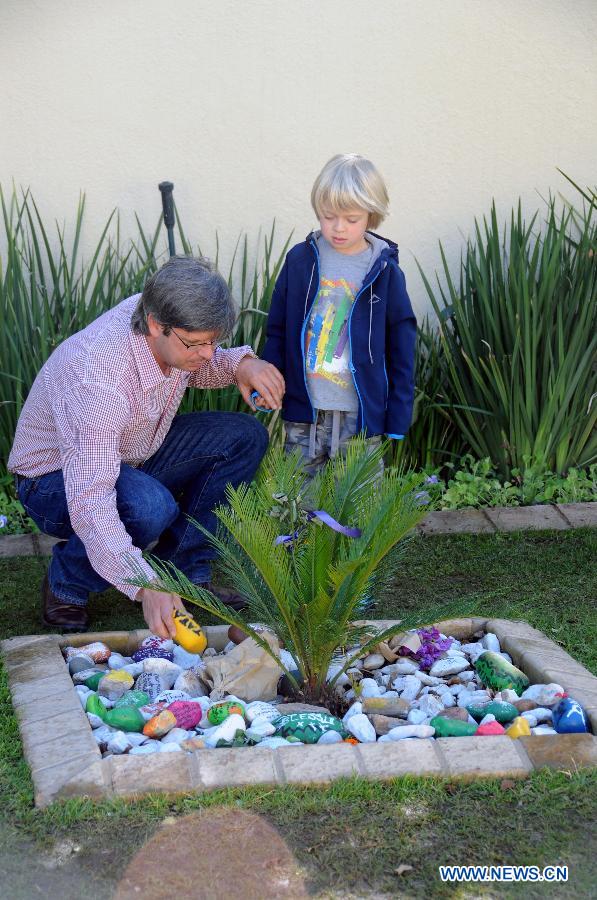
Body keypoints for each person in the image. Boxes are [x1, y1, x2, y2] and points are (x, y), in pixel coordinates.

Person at [8, 255, 284, 638]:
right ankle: (65, 585)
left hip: (129, 453)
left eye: (213, 342)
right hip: (51, 481)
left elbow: (199, 364)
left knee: (244, 437)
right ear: (156, 324)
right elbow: (90, 501)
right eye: (197, 344)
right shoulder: (97, 381)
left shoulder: (162, 317)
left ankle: (184, 576)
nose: (207, 354)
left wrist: (240, 365)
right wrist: (142, 584)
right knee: (148, 508)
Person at [260, 153, 416, 475]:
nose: (339, 228)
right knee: (297, 505)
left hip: (360, 419)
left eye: (352, 219)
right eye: (329, 216)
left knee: (359, 505)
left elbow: (403, 347)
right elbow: (278, 329)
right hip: (306, 413)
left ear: (371, 215)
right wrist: (267, 382)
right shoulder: (300, 261)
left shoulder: (384, 270)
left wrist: (398, 414)